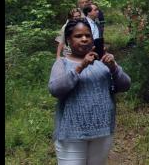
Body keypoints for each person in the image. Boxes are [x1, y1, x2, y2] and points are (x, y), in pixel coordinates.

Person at [49, 18, 131, 165]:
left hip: (102, 131)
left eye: (88, 35)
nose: (84, 39)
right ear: (68, 39)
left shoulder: (104, 63)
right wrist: (81, 66)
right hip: (71, 134)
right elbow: (55, 89)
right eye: (78, 36)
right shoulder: (61, 63)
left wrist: (114, 68)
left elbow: (125, 85)